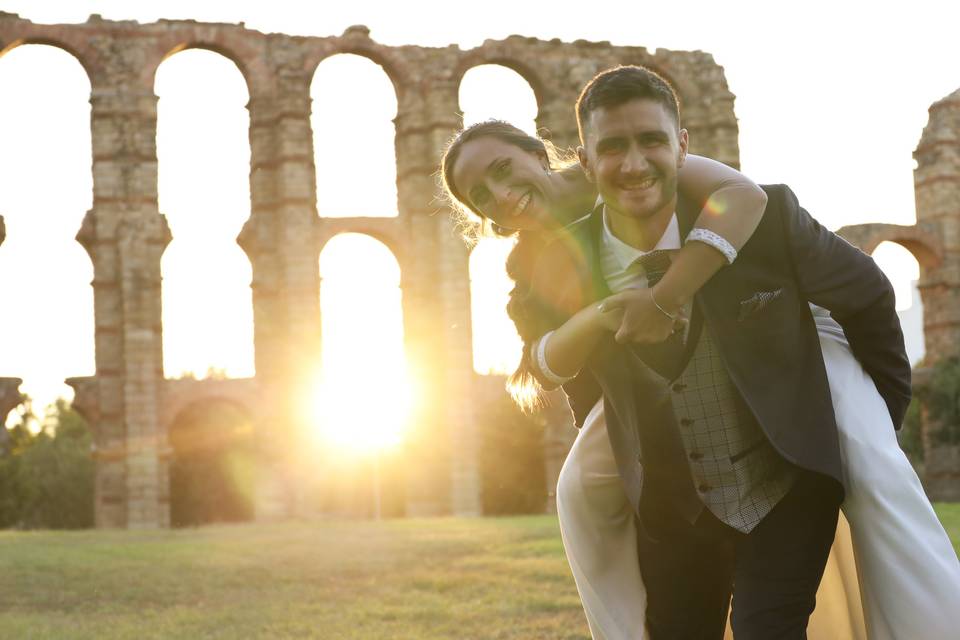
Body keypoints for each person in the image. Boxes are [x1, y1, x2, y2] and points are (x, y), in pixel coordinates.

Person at [441, 68, 960, 638]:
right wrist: (606, 357)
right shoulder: (534, 262)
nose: (503, 196)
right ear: (588, 158)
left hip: (777, 414)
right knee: (580, 493)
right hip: (674, 485)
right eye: (482, 196)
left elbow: (745, 199)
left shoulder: (688, 186)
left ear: (543, 155)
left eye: (502, 170)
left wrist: (876, 414)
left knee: (863, 448)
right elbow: (559, 369)